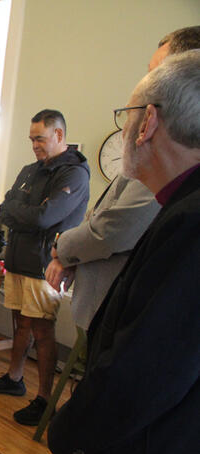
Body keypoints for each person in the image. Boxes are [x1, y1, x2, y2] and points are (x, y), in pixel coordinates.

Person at [48, 49, 200, 454]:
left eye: (126, 115)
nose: (124, 128)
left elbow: (147, 371)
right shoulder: (178, 204)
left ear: (148, 122)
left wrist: (68, 433)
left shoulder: (191, 220)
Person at [45, 25, 200, 330]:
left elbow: (115, 228)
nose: (146, 81)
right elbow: (101, 214)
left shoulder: (170, 169)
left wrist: (62, 248)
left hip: (124, 312)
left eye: (155, 72)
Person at [0, 110, 89, 426]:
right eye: (31, 139)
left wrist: (22, 212)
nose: (34, 145)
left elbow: (44, 218)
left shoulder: (74, 174)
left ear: (58, 135)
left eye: (39, 138)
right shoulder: (31, 170)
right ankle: (14, 379)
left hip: (45, 267)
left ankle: (44, 400)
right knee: (20, 323)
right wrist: (24, 213)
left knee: (42, 331)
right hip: (16, 259)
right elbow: (6, 208)